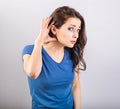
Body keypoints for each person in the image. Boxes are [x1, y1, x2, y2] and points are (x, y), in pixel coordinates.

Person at [22, 6, 87, 109]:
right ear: (53, 29)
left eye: (78, 30)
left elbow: (75, 85)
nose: (76, 35)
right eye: (71, 29)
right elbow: (33, 73)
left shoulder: (73, 53)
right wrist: (39, 41)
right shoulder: (30, 50)